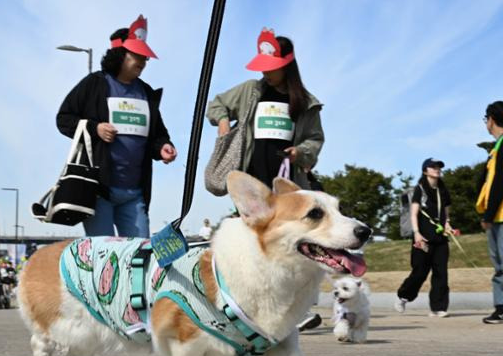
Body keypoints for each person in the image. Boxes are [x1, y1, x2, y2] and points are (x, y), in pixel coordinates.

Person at [56, 14, 177, 238]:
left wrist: (163, 147)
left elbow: (158, 134)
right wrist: (96, 128)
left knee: (140, 255)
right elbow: (63, 119)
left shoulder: (147, 92)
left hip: (135, 194)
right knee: (103, 257)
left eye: (146, 57)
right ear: (120, 54)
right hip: (99, 191)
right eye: (137, 55)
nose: (143, 61)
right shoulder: (95, 84)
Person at [206, 28, 325, 190]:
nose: (265, 71)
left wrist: (299, 152)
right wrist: (222, 120)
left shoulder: (307, 103)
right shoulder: (250, 90)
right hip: (251, 185)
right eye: (263, 66)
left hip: (289, 185)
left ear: (287, 66)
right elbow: (216, 104)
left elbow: (315, 139)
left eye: (271, 67)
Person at [395, 158, 453, 317]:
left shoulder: (443, 190)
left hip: (440, 238)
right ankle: (403, 296)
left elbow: (445, 212)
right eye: (433, 167)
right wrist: (417, 234)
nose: (437, 169)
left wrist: (447, 224)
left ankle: (438, 307)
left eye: (439, 167)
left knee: (441, 273)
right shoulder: (420, 189)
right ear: (425, 171)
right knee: (420, 272)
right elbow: (414, 214)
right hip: (422, 237)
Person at [477, 101, 503, 324]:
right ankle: (501, 308)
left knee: (502, 265)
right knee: (499, 265)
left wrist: (488, 214)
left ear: (491, 120)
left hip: (500, 216)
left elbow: (499, 183)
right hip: (496, 215)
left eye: (486, 119)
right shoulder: (496, 148)